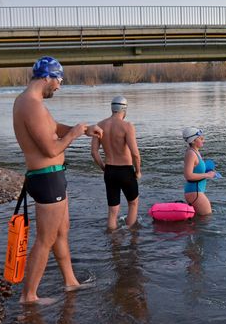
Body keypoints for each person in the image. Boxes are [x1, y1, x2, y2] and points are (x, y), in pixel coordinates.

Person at [13, 56, 103, 303]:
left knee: (62, 231)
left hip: (52, 177)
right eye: (58, 80)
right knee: (46, 239)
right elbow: (51, 150)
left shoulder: (32, 102)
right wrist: (75, 134)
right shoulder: (30, 105)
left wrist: (85, 129)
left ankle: (70, 282)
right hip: (46, 179)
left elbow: (53, 128)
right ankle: (29, 295)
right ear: (46, 77)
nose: (59, 86)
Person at [91, 96, 142, 230]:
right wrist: (138, 171)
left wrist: (103, 167)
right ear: (124, 109)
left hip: (109, 170)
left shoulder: (99, 125)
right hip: (125, 170)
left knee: (112, 211)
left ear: (112, 108)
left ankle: (113, 242)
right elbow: (135, 154)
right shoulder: (127, 126)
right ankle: (132, 236)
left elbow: (94, 152)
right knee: (133, 204)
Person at [182, 127, 217, 216]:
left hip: (196, 191)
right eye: (201, 138)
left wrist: (209, 172)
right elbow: (188, 175)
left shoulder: (195, 152)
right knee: (206, 218)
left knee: (200, 220)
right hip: (194, 192)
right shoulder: (191, 154)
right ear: (193, 141)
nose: (203, 140)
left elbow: (196, 170)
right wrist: (207, 175)